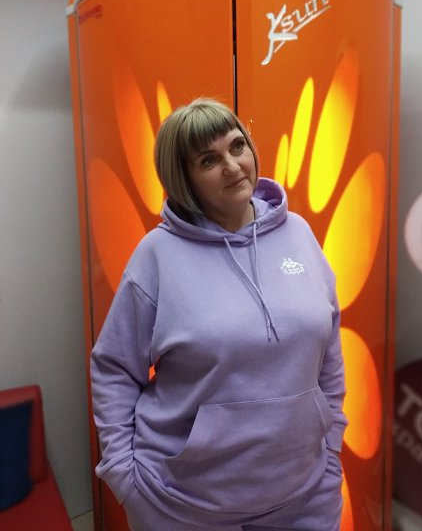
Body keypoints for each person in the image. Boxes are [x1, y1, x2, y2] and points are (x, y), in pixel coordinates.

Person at [91, 98, 348, 530]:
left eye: (237, 146)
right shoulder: (157, 255)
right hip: (183, 503)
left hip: (305, 493)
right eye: (208, 160)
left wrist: (333, 441)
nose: (232, 166)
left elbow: (329, 351)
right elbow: (114, 368)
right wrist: (123, 476)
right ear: (184, 178)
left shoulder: (299, 234)